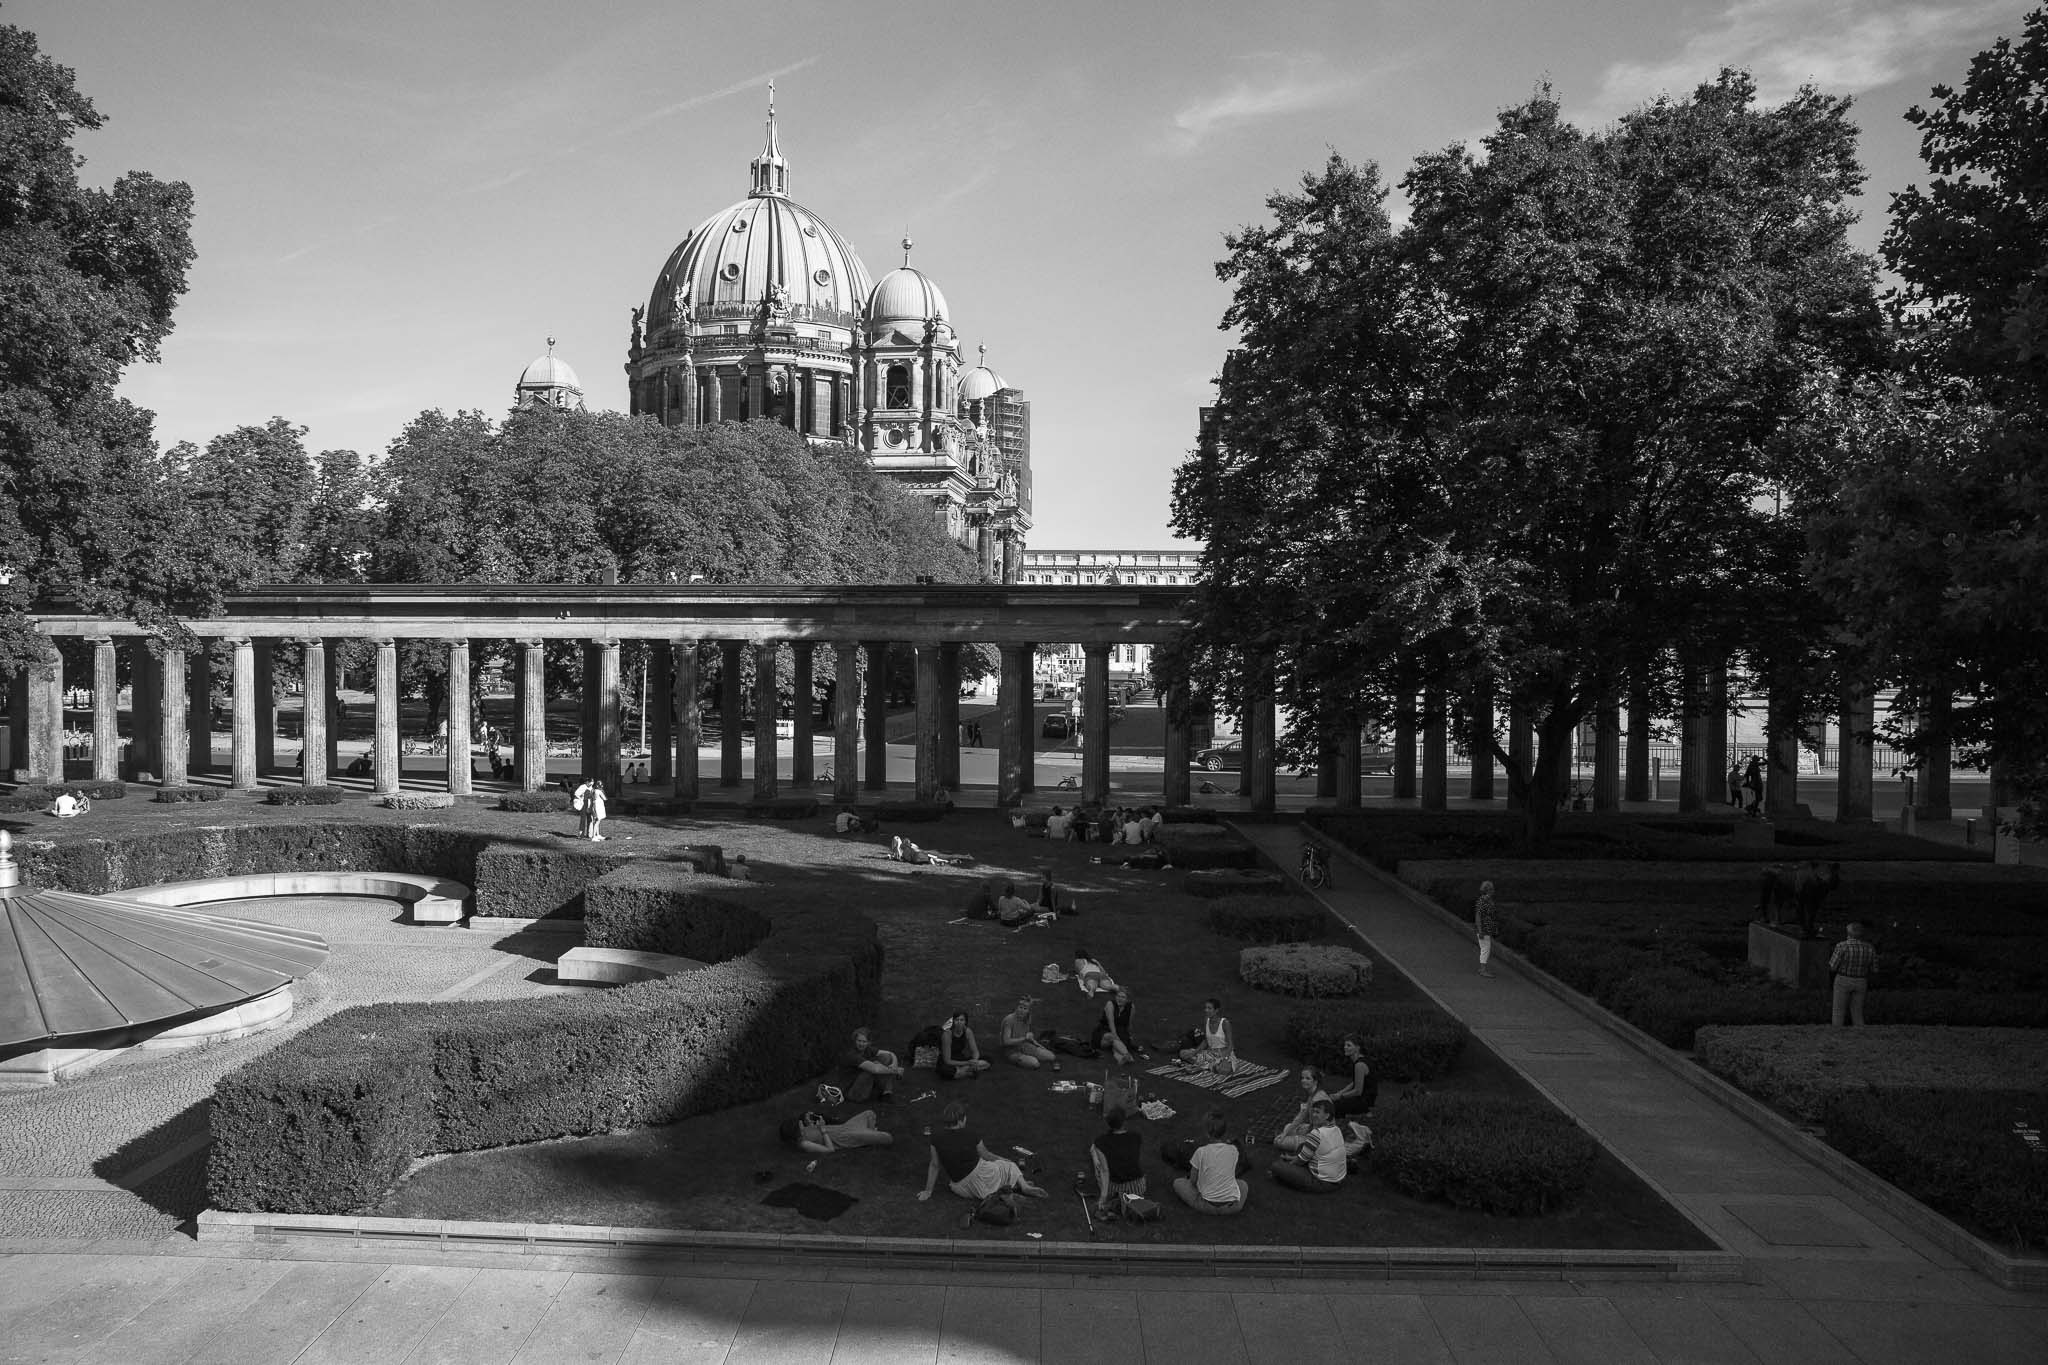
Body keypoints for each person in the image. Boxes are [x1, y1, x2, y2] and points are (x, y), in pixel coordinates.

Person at [917, 1101, 1048, 1203]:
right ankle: (1024, 1187)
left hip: (961, 1188)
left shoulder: (935, 1137)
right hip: (981, 1176)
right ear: (961, 1120)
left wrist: (928, 1191)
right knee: (1007, 1166)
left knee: (983, 1177)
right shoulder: (971, 1134)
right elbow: (986, 1155)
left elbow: (934, 1165)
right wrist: (1005, 1160)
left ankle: (1010, 1188)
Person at [1172, 1110, 1249, 1215]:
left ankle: (1210, 1205)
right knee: (1243, 1185)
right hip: (1232, 1206)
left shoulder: (1201, 1152)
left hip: (1206, 1205)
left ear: (1207, 1133)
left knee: (1178, 1183)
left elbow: (1193, 1181)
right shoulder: (1234, 1150)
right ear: (1224, 1131)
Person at [1271, 1100, 1350, 1192]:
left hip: (1322, 1182)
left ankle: (1282, 1176)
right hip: (1338, 1179)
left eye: (1317, 1112)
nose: (1313, 1115)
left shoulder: (1316, 1133)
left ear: (1327, 1115)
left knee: (1276, 1166)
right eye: (1313, 1111)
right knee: (1303, 1146)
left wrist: (1288, 1166)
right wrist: (1291, 1158)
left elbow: (1301, 1160)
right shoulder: (1336, 1129)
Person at [1089, 1108, 1147, 1216]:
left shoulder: (1101, 1142)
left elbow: (1105, 1171)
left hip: (1115, 1188)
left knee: (1098, 1166)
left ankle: (1093, 1153)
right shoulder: (1136, 1137)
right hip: (1138, 1187)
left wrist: (1103, 1196)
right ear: (1124, 1121)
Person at [1273, 1068, 1333, 1155]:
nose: (1303, 1081)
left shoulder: (1318, 1099)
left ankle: (1305, 1148)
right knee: (1288, 1127)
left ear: (1315, 1081)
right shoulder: (1313, 1094)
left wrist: (1302, 1137)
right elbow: (1301, 1116)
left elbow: (1319, 1130)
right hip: (1313, 1129)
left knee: (1277, 1141)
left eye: (1308, 1078)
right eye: (1302, 1078)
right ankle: (1293, 1139)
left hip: (1320, 1139)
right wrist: (1285, 1133)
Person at [781, 1109, 893, 1155]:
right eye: (798, 1124)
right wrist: (823, 1129)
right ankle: (867, 1136)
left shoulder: (803, 1129)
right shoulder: (804, 1143)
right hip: (845, 1137)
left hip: (844, 1127)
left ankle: (868, 1134)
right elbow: (830, 1150)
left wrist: (819, 1123)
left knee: (869, 1113)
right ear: (794, 1131)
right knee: (888, 1138)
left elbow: (810, 1123)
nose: (800, 1124)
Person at [1829, 921, 1877, 1026]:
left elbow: (1832, 967)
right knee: (1858, 1012)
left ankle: (1836, 1035)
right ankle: (1859, 1035)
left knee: (1838, 1011)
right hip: (1861, 980)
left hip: (1843, 979)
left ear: (1848, 933)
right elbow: (1874, 969)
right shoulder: (1870, 948)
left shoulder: (1841, 946)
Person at [839, 1026, 903, 1102]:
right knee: (872, 1068)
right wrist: (896, 1071)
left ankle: (887, 1093)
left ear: (868, 1042)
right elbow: (875, 1069)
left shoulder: (868, 1049)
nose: (861, 1044)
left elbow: (890, 1053)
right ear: (855, 1041)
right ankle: (870, 1094)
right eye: (859, 1041)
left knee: (886, 1057)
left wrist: (895, 1064)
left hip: (862, 1082)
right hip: (852, 1091)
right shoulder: (852, 1055)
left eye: (864, 1041)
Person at [1178, 997, 1238, 1074]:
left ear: (1216, 1010)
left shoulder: (1225, 1023)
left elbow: (1230, 1046)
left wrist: (1224, 1059)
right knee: (1182, 1053)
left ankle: (1202, 1067)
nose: (1206, 1010)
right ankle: (1208, 1066)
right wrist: (1194, 1052)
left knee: (1223, 1070)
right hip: (1210, 1054)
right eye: (1206, 1008)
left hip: (1224, 1054)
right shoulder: (1207, 1020)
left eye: (1209, 1008)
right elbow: (1206, 1041)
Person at [1328, 1034, 1377, 1121]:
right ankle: (1361, 1113)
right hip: (1364, 1098)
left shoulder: (1359, 1065)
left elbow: (1358, 1091)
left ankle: (1359, 1114)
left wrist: (1340, 1097)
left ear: (1357, 1048)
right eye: (1345, 1045)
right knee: (1331, 1102)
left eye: (1349, 1045)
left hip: (1364, 1100)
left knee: (1331, 1105)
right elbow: (1354, 1082)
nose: (1345, 1047)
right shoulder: (1360, 1060)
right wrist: (1339, 1093)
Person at [999, 996, 1056, 1068]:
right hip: (1011, 1051)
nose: (1022, 1010)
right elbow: (1006, 1041)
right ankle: (1023, 1058)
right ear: (1016, 1008)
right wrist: (1024, 1038)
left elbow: (1026, 1036)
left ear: (1028, 1011)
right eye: (1020, 1007)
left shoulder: (1027, 1018)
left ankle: (1028, 1056)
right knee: (1035, 1063)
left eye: (1025, 1008)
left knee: (1051, 1056)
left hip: (1024, 1045)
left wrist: (1038, 1045)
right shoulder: (1009, 1020)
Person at [1091, 986, 1138, 1065]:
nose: (1119, 999)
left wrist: (1129, 1035)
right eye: (1118, 996)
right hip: (1105, 1030)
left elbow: (1129, 1023)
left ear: (1127, 999)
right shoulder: (1110, 1004)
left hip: (1121, 1030)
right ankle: (1127, 1055)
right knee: (1112, 1038)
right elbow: (1111, 1022)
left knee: (1117, 1044)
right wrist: (1116, 1036)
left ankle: (1121, 1059)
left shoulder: (1131, 1007)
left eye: (1123, 997)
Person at [936, 1011, 990, 1079]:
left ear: (965, 1022)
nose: (959, 1022)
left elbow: (975, 1051)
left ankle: (962, 1072)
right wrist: (967, 1063)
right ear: (953, 1022)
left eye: (961, 1020)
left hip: (960, 1058)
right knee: (946, 1072)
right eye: (956, 1020)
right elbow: (947, 1060)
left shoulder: (967, 1031)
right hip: (948, 1062)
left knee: (988, 1059)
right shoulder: (947, 1035)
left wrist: (974, 1061)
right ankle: (967, 1071)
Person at [1474, 880, 1498, 979]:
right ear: (1489, 890)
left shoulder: (1486, 900)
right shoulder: (1484, 901)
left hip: (1486, 928)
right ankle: (1483, 969)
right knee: (1485, 949)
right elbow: (1478, 916)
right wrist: (1480, 930)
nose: (1493, 891)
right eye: (1492, 889)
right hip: (1484, 929)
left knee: (1485, 948)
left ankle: (1482, 968)